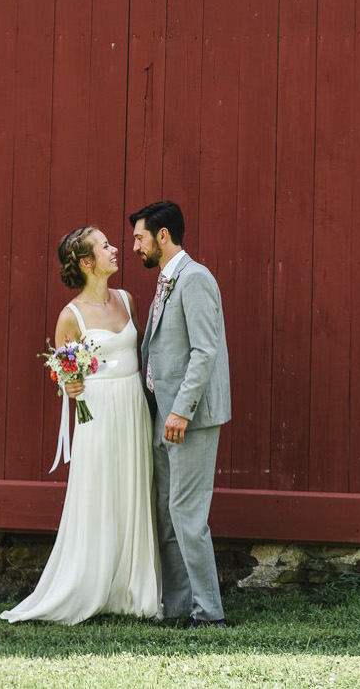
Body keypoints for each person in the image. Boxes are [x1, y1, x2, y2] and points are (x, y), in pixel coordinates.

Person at [0, 226, 160, 624]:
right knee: (101, 492)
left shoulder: (127, 300)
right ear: (87, 262)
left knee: (134, 488)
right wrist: (69, 381)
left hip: (133, 406)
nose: (115, 248)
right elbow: (64, 371)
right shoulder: (69, 317)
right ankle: (89, 585)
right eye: (105, 246)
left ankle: (133, 590)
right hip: (99, 413)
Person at [130, 200, 232, 627]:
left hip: (187, 419)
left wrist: (181, 412)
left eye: (139, 238)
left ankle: (209, 612)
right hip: (163, 416)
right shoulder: (165, 282)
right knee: (167, 514)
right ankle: (178, 605)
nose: (135, 247)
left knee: (188, 515)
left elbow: (204, 351)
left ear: (163, 236)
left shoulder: (195, 279)